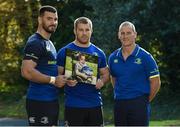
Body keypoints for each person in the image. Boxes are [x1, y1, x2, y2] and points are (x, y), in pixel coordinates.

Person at [57, 17, 109, 126]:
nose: (84, 33)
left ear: (91, 31)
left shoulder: (99, 53)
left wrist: (102, 81)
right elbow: (56, 78)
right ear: (75, 31)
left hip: (95, 105)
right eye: (81, 30)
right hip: (73, 105)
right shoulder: (64, 52)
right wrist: (66, 81)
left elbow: (105, 74)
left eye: (87, 30)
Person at [108, 21, 161, 126]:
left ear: (135, 35)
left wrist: (144, 101)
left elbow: (156, 82)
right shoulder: (113, 57)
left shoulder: (145, 57)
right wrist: (121, 94)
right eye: (122, 33)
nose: (125, 36)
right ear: (118, 35)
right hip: (120, 103)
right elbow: (114, 79)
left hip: (139, 103)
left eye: (128, 33)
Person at [21, 5, 66, 126]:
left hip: (50, 100)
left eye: (55, 19)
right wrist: (53, 80)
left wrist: (67, 78)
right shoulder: (35, 42)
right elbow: (26, 71)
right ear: (40, 20)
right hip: (39, 102)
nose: (53, 22)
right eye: (49, 18)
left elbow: (50, 70)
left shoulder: (49, 43)